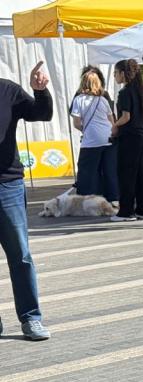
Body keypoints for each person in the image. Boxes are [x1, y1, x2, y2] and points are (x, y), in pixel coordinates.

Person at [0, 61, 52, 342]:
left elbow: (42, 114)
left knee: (20, 255)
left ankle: (31, 318)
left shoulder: (8, 90)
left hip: (7, 184)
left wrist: (40, 91)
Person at [110, 60, 143, 223]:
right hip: (140, 136)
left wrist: (115, 125)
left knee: (126, 174)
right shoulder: (140, 91)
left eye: (116, 73)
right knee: (139, 175)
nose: (115, 76)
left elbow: (126, 116)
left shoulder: (125, 92)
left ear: (122, 73)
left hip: (129, 137)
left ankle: (126, 211)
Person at [71, 70, 118, 203]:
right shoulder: (103, 100)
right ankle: (113, 198)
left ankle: (87, 199)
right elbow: (112, 121)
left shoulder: (78, 100)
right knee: (110, 170)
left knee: (87, 170)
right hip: (108, 137)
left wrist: (85, 130)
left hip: (91, 140)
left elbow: (76, 123)